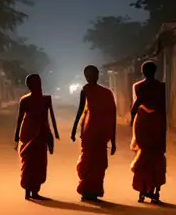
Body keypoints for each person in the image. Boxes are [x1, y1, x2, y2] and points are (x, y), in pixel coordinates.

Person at [71, 63, 118, 201]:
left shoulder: (107, 93)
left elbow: (112, 116)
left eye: (92, 75)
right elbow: (80, 110)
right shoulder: (85, 90)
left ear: (98, 75)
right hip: (89, 130)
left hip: (101, 130)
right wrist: (74, 130)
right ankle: (86, 189)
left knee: (99, 162)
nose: (89, 78)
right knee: (88, 160)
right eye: (87, 75)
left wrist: (113, 141)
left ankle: (95, 190)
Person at [14, 74, 59, 199]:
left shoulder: (46, 99)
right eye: (34, 83)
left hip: (41, 132)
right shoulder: (25, 100)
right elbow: (20, 119)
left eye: (38, 83)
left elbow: (51, 117)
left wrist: (53, 132)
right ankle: (28, 191)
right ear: (29, 86)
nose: (37, 86)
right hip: (28, 132)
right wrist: (16, 136)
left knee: (39, 162)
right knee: (28, 162)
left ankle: (34, 191)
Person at [129, 59, 168, 203]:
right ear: (155, 71)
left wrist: (132, 120)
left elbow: (135, 106)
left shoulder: (138, 86)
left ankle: (142, 190)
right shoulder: (162, 87)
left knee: (143, 154)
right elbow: (164, 107)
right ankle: (156, 191)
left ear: (142, 72)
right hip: (158, 122)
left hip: (143, 122)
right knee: (156, 156)